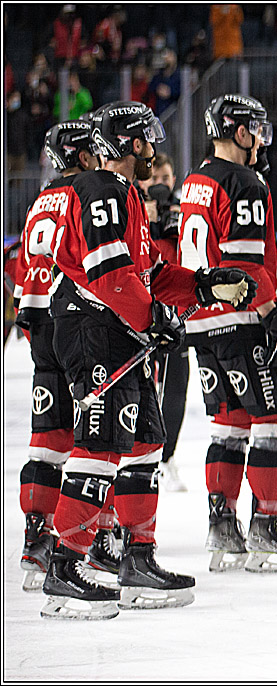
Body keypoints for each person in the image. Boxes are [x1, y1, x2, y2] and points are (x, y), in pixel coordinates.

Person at [44, 100, 255, 619]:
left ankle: (136, 559)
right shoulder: (103, 190)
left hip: (118, 329)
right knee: (100, 444)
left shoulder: (126, 194)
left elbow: (151, 273)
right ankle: (64, 566)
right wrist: (153, 318)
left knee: (146, 442)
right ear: (133, 142)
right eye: (149, 140)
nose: (155, 150)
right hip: (93, 327)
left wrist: (204, 285)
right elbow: (111, 276)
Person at [179, 94, 277, 574]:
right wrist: (273, 314)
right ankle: (266, 525)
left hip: (202, 322)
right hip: (240, 320)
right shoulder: (244, 182)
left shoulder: (195, 180)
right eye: (255, 130)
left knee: (229, 421)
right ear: (238, 132)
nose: (261, 139)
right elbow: (244, 267)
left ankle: (222, 527)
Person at [14, 120, 98, 593]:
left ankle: (35, 539)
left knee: (46, 439)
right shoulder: (86, 194)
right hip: (74, 321)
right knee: (96, 433)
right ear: (83, 156)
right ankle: (93, 539)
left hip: (38, 321)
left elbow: (25, 267)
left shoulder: (40, 200)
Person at [137, 152, 189, 493]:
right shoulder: (132, 210)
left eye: (166, 178)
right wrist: (149, 220)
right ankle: (143, 455)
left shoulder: (182, 211)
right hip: (140, 317)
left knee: (176, 390)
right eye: (155, 179)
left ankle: (167, 457)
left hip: (175, 317)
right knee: (144, 390)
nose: (161, 185)